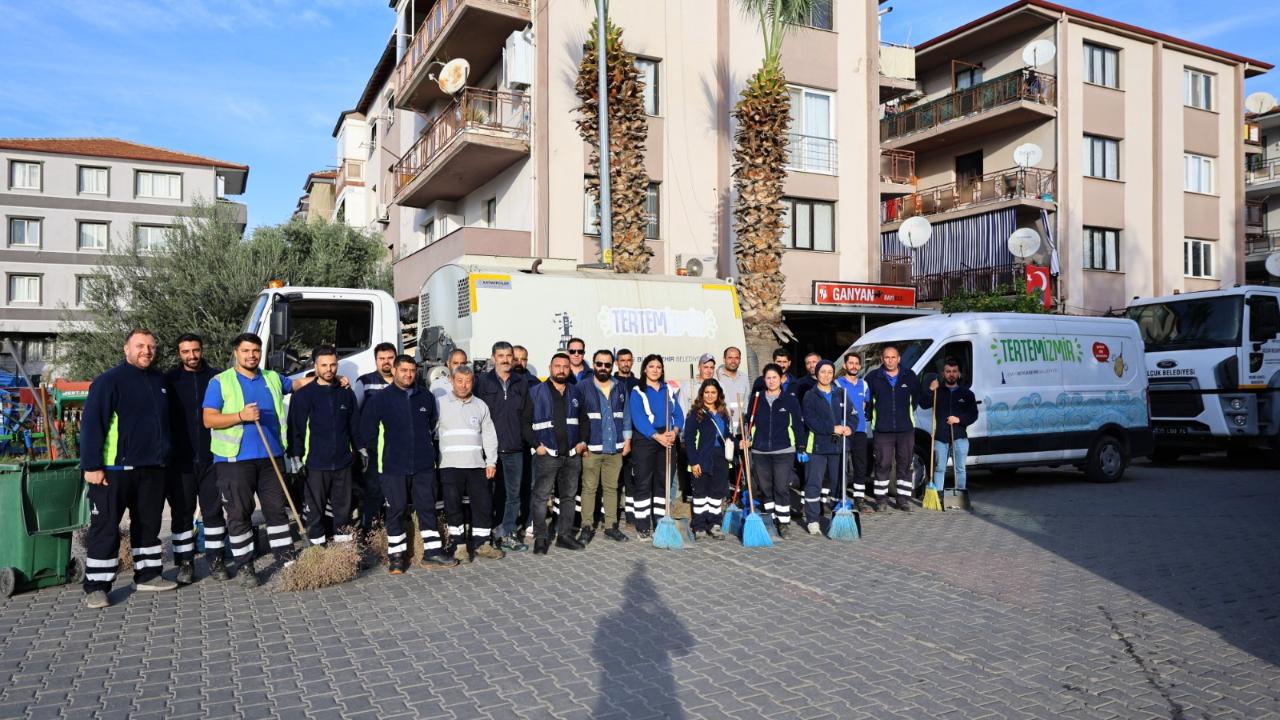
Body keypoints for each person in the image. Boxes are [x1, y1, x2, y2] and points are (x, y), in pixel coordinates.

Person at [203, 333, 319, 587]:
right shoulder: (220, 381)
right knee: (239, 513)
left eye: (255, 351)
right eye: (246, 351)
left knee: (276, 511)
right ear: (236, 353)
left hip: (271, 457)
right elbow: (209, 419)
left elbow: (298, 384)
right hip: (234, 460)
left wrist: (328, 377)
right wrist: (240, 416)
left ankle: (287, 561)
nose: (251, 355)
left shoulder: (272, 378)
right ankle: (245, 566)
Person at [81, 329, 177, 608]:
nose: (146, 351)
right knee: (106, 527)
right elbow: (92, 425)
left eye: (151, 346)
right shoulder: (108, 381)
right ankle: (97, 586)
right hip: (114, 470)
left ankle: (148, 575)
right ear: (126, 349)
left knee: (148, 524)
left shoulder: (160, 381)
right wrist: (92, 465)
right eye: (140, 346)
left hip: (153, 468)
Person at [359, 355, 458, 573]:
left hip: (423, 465)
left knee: (427, 508)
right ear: (394, 371)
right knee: (396, 510)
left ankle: (432, 552)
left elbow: (432, 424)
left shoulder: (425, 397)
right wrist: (387, 451)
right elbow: (367, 432)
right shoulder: (380, 399)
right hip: (393, 466)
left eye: (412, 370)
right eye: (404, 370)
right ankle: (396, 557)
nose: (408, 374)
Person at [163, 333, 224, 584]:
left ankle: (216, 560)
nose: (192, 356)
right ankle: (185, 563)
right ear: (179, 353)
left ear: (202, 350)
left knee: (214, 512)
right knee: (182, 514)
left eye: (195, 350)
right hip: (180, 462)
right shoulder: (169, 380)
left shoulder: (217, 377)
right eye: (186, 351)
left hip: (212, 458)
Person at [286, 346, 359, 547]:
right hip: (315, 464)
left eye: (333, 365)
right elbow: (295, 429)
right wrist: (295, 456)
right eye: (324, 365)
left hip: (343, 462)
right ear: (315, 366)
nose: (329, 369)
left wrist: (359, 448)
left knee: (343, 510)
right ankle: (317, 552)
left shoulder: (345, 393)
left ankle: (344, 553)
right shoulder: (303, 396)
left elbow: (354, 424)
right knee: (315, 511)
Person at [521, 353, 590, 554]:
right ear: (550, 368)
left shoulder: (575, 392)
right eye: (557, 366)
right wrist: (536, 445)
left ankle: (564, 536)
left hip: (572, 454)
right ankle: (541, 538)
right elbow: (524, 423)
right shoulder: (535, 392)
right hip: (547, 454)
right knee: (541, 497)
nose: (561, 370)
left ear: (569, 369)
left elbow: (584, 420)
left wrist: (583, 442)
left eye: (565, 366)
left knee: (568, 497)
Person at [437, 364, 504, 562]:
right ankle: (458, 546)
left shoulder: (480, 405)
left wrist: (491, 462)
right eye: (459, 381)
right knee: (453, 506)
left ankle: (482, 544)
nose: (463, 385)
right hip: (450, 465)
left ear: (473, 382)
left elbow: (489, 436)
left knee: (483, 505)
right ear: (452, 381)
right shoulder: (440, 404)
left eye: (468, 381)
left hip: (477, 466)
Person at [475, 341, 530, 552]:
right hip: (490, 450)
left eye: (509, 356)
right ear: (493, 358)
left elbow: (526, 415)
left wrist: (525, 440)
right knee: (488, 494)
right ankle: (487, 533)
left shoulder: (521, 382)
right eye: (501, 356)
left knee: (513, 495)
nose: (505, 360)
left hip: (515, 448)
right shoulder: (482, 382)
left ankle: (508, 533)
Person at [742, 363, 805, 537]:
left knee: (781, 487)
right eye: (768, 378)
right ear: (764, 379)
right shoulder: (756, 399)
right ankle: (770, 519)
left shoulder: (790, 400)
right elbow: (749, 421)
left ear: (781, 379)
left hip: (783, 450)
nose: (771, 381)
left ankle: (783, 522)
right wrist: (747, 437)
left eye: (774, 377)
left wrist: (801, 446)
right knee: (765, 488)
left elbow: (798, 425)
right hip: (760, 451)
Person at [627, 354, 684, 539]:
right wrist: (657, 437)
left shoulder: (668, 390)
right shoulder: (638, 391)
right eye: (651, 366)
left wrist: (674, 431)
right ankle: (642, 526)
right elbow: (638, 418)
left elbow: (679, 414)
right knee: (643, 483)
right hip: (646, 439)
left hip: (668, 437)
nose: (655, 370)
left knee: (663, 483)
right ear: (644, 369)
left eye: (658, 367)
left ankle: (660, 522)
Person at [580, 349, 631, 544]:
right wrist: (582, 443)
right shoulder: (583, 387)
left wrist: (627, 440)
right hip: (591, 448)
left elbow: (626, 416)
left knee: (611, 488)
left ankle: (611, 526)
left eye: (607, 364)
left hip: (614, 447)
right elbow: (578, 418)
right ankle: (586, 526)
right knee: (589, 488)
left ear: (612, 366)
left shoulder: (620, 387)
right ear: (594, 365)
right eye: (599, 364)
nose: (603, 368)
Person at [865, 345, 924, 512]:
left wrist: (904, 414)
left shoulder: (909, 376)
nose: (890, 361)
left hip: (905, 429)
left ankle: (903, 500)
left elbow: (916, 398)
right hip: (882, 430)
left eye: (893, 357)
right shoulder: (873, 377)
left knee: (904, 465)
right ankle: (881, 500)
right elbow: (867, 401)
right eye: (886, 357)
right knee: (882, 464)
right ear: (882, 359)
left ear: (899, 359)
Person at [801, 360, 852, 534]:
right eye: (823, 372)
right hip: (817, 447)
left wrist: (849, 427)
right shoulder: (810, 395)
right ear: (817, 374)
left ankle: (837, 517)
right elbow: (811, 421)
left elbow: (853, 414)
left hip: (838, 447)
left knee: (838, 484)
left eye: (830, 372)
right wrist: (832, 429)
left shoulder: (841, 393)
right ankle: (812, 520)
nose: (826, 375)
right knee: (813, 484)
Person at [922, 358, 979, 507]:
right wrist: (930, 390)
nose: (951, 374)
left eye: (954, 371)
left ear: (959, 374)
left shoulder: (967, 394)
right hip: (941, 437)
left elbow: (973, 414)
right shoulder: (938, 391)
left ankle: (960, 495)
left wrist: (959, 419)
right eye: (948, 371)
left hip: (959, 437)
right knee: (939, 468)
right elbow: (923, 403)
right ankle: (939, 497)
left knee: (960, 469)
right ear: (943, 374)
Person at [354, 341, 398, 533]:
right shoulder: (364, 382)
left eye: (390, 358)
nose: (386, 362)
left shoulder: (406, 380)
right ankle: (369, 531)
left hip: (398, 448)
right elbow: (354, 414)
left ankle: (393, 528)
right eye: (382, 358)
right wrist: (359, 445)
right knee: (373, 489)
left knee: (396, 490)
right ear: (376, 360)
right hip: (373, 448)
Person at [684, 379, 731, 539]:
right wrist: (694, 462)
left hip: (720, 457)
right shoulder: (695, 414)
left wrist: (739, 443)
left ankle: (715, 524)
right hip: (702, 457)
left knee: (716, 493)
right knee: (701, 493)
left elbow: (727, 435)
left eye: (713, 392)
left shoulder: (723, 413)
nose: (710, 395)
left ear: (718, 394)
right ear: (702, 394)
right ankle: (699, 525)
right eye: (707, 392)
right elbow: (689, 440)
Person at [835, 353, 874, 513]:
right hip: (843, 431)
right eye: (850, 363)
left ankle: (859, 499)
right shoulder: (837, 383)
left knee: (860, 465)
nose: (854, 366)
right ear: (845, 365)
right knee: (841, 465)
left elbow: (864, 405)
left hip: (859, 431)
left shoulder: (864, 384)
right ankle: (840, 497)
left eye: (856, 363)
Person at [715, 346, 750, 432]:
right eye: (730, 358)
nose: (733, 361)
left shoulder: (744, 377)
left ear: (740, 360)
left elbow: (747, 402)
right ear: (724, 359)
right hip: (723, 430)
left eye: (736, 358)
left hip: (741, 431)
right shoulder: (716, 377)